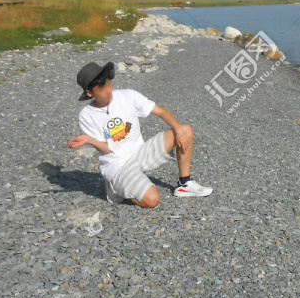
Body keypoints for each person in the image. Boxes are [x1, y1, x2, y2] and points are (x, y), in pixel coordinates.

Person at [68, 61, 212, 208]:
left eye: (108, 84)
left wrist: (177, 129)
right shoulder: (87, 115)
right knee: (152, 200)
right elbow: (107, 149)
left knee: (185, 130)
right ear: (90, 93)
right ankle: (117, 190)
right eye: (102, 88)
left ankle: (184, 184)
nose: (108, 90)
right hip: (118, 166)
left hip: (139, 153)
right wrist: (89, 140)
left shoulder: (128, 96)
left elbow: (161, 112)